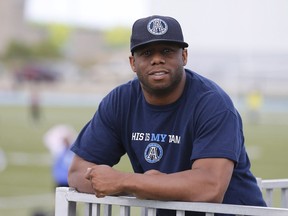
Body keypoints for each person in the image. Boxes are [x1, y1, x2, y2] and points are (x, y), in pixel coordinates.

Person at [68, 15, 266, 216]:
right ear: (132, 63)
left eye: (167, 51)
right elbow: (77, 172)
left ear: (184, 56)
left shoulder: (212, 104)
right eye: (146, 53)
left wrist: (127, 181)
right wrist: (143, 185)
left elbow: (210, 187)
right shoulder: (120, 101)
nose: (157, 59)